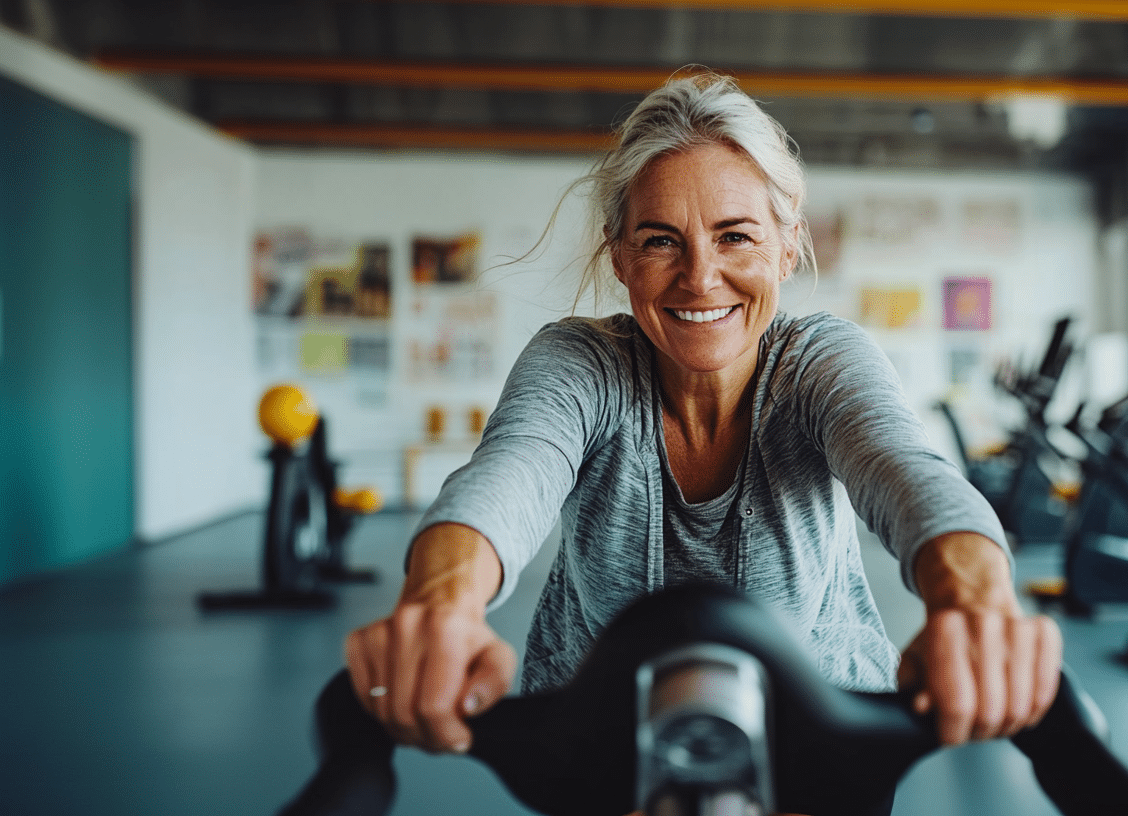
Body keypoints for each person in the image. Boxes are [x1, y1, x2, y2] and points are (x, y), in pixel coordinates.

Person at [344, 70, 1062, 813]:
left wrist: (976, 601)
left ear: (788, 247)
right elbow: (509, 472)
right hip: (603, 752)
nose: (699, 277)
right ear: (619, 255)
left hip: (817, 745)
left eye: (735, 236)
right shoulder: (582, 364)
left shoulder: (818, 363)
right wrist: (442, 604)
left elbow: (905, 468)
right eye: (661, 241)